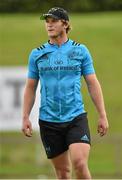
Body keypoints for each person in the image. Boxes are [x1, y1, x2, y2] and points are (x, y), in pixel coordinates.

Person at [22, 7, 109, 179]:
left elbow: (92, 83)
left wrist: (102, 114)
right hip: (49, 121)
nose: (49, 25)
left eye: (53, 21)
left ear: (65, 24)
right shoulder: (37, 54)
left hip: (75, 117)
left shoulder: (80, 51)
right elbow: (30, 87)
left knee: (80, 163)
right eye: (47, 21)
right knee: (63, 173)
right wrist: (25, 116)